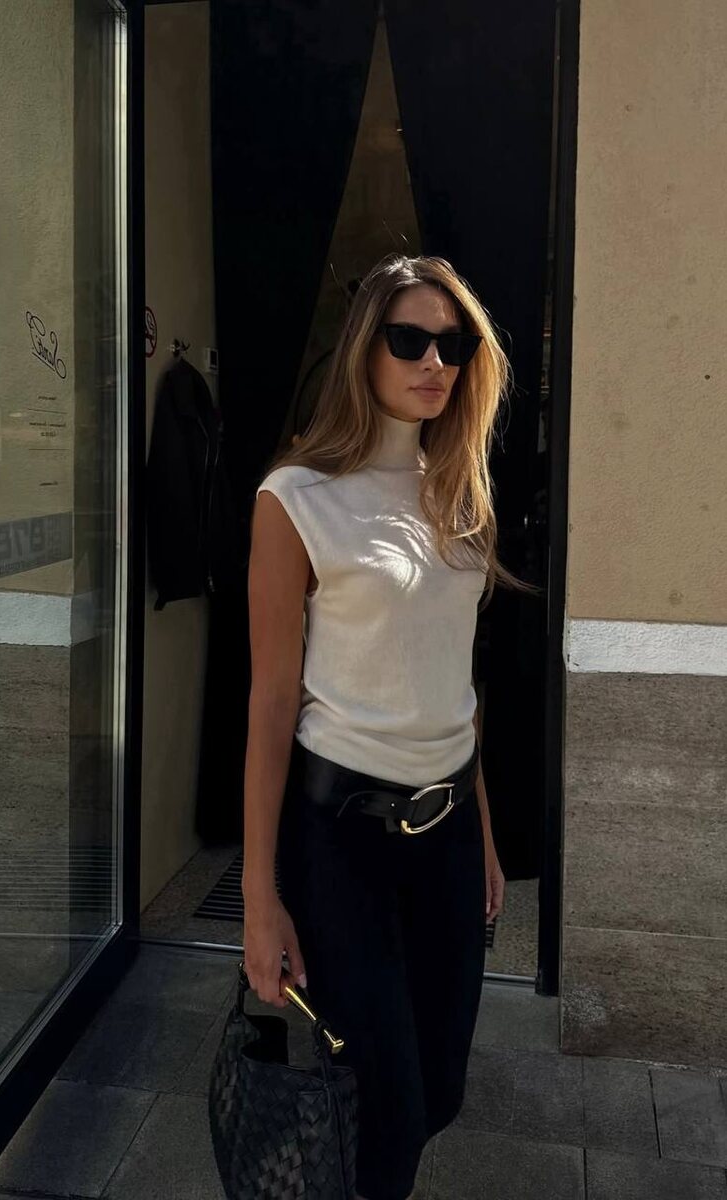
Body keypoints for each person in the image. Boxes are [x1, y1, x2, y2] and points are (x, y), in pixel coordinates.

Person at [242, 253, 525, 1200]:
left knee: (439, 1087)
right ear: (365, 347)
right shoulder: (297, 497)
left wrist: (484, 831)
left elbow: (457, 681)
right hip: (342, 839)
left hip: (448, 835)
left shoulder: (461, 493)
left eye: (454, 343)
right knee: (388, 1105)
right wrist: (259, 899)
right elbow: (271, 700)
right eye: (410, 339)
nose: (434, 361)